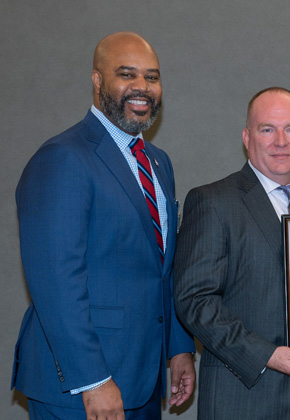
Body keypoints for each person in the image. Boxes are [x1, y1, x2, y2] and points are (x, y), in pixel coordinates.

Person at [12, 32, 196, 419]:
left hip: (143, 379)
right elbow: (55, 281)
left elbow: (161, 269)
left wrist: (178, 348)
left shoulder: (158, 163)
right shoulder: (62, 158)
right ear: (97, 80)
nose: (142, 87)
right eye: (127, 74)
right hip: (83, 389)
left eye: (152, 76)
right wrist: (92, 380)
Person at [174, 87, 290, 420]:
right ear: (247, 137)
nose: (281, 141)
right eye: (267, 129)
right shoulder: (214, 202)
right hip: (247, 398)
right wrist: (266, 355)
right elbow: (194, 300)